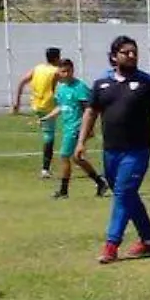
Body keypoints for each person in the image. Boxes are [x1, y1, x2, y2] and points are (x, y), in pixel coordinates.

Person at [75, 35, 150, 264]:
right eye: (126, 52)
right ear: (113, 57)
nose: (132, 55)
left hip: (137, 150)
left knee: (122, 193)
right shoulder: (102, 84)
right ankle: (149, 240)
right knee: (128, 195)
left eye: (134, 52)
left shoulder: (148, 83)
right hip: (111, 151)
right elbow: (91, 112)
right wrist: (81, 141)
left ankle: (111, 245)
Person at [43, 57, 107, 199]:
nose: (65, 74)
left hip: (76, 127)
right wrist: (48, 117)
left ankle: (63, 191)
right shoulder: (61, 89)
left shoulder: (80, 87)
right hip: (67, 127)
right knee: (77, 158)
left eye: (67, 71)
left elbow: (88, 109)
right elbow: (61, 107)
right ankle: (100, 182)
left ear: (72, 70)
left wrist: (89, 129)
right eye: (62, 71)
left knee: (64, 156)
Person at [12, 48, 63, 178]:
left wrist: (17, 103)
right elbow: (67, 84)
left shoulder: (37, 68)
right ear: (57, 58)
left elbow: (21, 82)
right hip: (48, 106)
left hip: (37, 105)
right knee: (50, 136)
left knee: (51, 131)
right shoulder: (56, 71)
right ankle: (45, 169)